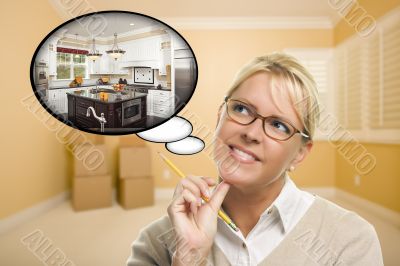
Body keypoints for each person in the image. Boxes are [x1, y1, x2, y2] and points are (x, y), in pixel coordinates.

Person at [126, 53, 384, 266]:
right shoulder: (156, 242)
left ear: (300, 153)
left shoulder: (351, 239)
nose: (250, 133)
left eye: (278, 125)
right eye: (241, 109)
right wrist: (189, 258)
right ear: (219, 118)